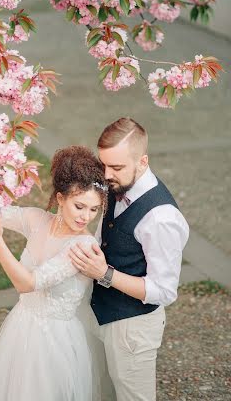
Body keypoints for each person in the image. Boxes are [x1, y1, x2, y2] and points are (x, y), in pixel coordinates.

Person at [0, 118, 108, 401]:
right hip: (22, 327)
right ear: (60, 198)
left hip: (55, 343)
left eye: (93, 209)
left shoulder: (83, 246)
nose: (85, 217)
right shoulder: (36, 219)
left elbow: (28, 283)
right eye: (80, 206)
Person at [69, 117, 190, 401]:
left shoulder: (161, 218)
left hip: (133, 330)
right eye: (104, 165)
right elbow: (103, 239)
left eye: (117, 167)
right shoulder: (118, 185)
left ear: (143, 161)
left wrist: (105, 274)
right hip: (100, 314)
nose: (106, 175)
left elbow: (164, 291)